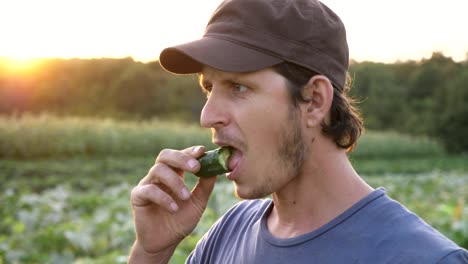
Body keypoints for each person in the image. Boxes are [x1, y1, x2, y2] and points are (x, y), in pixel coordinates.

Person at [128, 0, 468, 263]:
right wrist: (150, 252)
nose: (207, 116)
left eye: (238, 87)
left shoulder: (423, 258)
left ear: (315, 100)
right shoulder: (224, 238)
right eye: (209, 88)